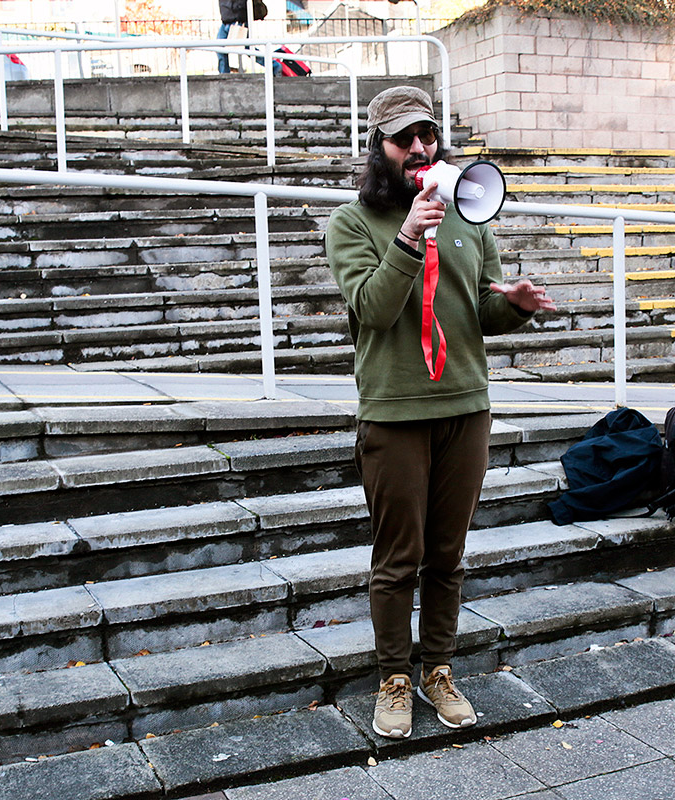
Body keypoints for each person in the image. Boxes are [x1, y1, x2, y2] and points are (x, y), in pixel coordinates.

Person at [325, 86, 555, 739]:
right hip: (395, 411)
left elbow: (479, 312)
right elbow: (371, 309)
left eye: (428, 135)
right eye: (405, 139)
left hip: (465, 405)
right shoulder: (350, 224)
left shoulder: (471, 214)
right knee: (399, 558)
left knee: (447, 557)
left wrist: (515, 303)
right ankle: (395, 678)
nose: (420, 148)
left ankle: (439, 671)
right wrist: (405, 238)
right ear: (380, 149)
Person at [216, 0, 281, 75]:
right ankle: (224, 73)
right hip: (228, 20)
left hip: (237, 20)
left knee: (248, 48)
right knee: (221, 47)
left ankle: (273, 65)